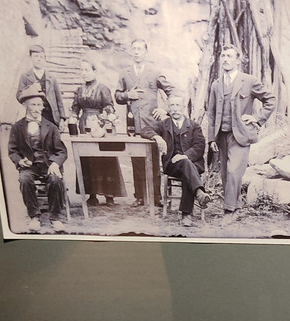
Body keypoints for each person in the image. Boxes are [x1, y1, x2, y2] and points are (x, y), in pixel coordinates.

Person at [205, 45, 276, 215]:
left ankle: (229, 211)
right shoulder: (216, 84)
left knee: (233, 171)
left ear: (238, 61)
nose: (225, 59)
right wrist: (211, 138)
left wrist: (256, 118)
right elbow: (211, 113)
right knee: (225, 173)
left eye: (229, 56)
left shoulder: (249, 81)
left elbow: (271, 100)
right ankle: (235, 206)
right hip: (221, 135)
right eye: (223, 56)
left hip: (241, 135)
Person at [115, 38, 174, 206]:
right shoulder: (125, 73)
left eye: (140, 49)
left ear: (146, 52)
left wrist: (166, 110)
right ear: (130, 51)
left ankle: (156, 197)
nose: (136, 52)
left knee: (154, 160)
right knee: (136, 160)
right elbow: (117, 95)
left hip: (152, 124)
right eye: (134, 48)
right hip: (133, 124)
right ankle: (139, 196)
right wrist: (128, 95)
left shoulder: (154, 72)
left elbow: (172, 90)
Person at [8, 92, 67, 231]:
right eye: (33, 105)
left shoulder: (51, 127)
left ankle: (55, 218)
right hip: (30, 166)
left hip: (48, 164)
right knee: (24, 179)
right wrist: (20, 161)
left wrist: (55, 163)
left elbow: (61, 151)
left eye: (39, 105)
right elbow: (12, 150)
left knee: (55, 179)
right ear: (25, 105)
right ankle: (34, 216)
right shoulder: (17, 127)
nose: (37, 108)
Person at [70, 58, 120, 205]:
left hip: (100, 124)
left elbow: (109, 106)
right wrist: (73, 117)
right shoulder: (79, 90)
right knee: (87, 159)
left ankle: (109, 194)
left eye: (86, 70)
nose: (83, 73)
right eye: (81, 70)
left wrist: (106, 119)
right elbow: (75, 107)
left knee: (105, 158)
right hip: (84, 125)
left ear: (94, 71)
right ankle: (92, 194)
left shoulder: (103, 88)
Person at [154, 93, 209, 223]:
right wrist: (156, 137)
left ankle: (186, 215)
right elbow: (146, 130)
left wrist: (185, 156)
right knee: (186, 166)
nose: (175, 108)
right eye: (172, 105)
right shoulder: (163, 124)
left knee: (186, 167)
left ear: (184, 107)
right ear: (168, 108)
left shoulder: (194, 126)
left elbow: (200, 146)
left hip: (192, 163)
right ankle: (198, 194)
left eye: (178, 105)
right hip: (172, 165)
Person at [16, 44, 66, 129]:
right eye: (35, 56)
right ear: (31, 58)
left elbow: (59, 99)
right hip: (33, 115)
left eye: (41, 57)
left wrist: (62, 118)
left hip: (51, 116)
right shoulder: (25, 76)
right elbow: (19, 95)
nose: (39, 59)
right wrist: (31, 88)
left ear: (45, 59)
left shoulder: (51, 78)